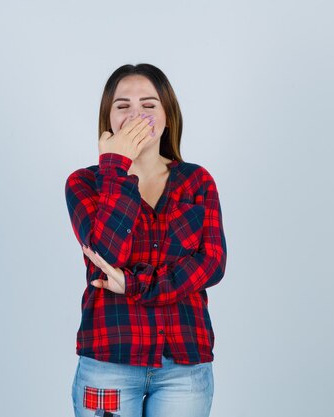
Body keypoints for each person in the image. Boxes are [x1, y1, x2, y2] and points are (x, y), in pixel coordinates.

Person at [64, 63, 227, 417]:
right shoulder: (83, 183)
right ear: (108, 119)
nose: (136, 115)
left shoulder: (198, 182)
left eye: (149, 105)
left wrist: (135, 284)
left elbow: (211, 265)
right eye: (123, 106)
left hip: (184, 365)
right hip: (109, 363)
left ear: (168, 115)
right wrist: (116, 165)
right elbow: (105, 253)